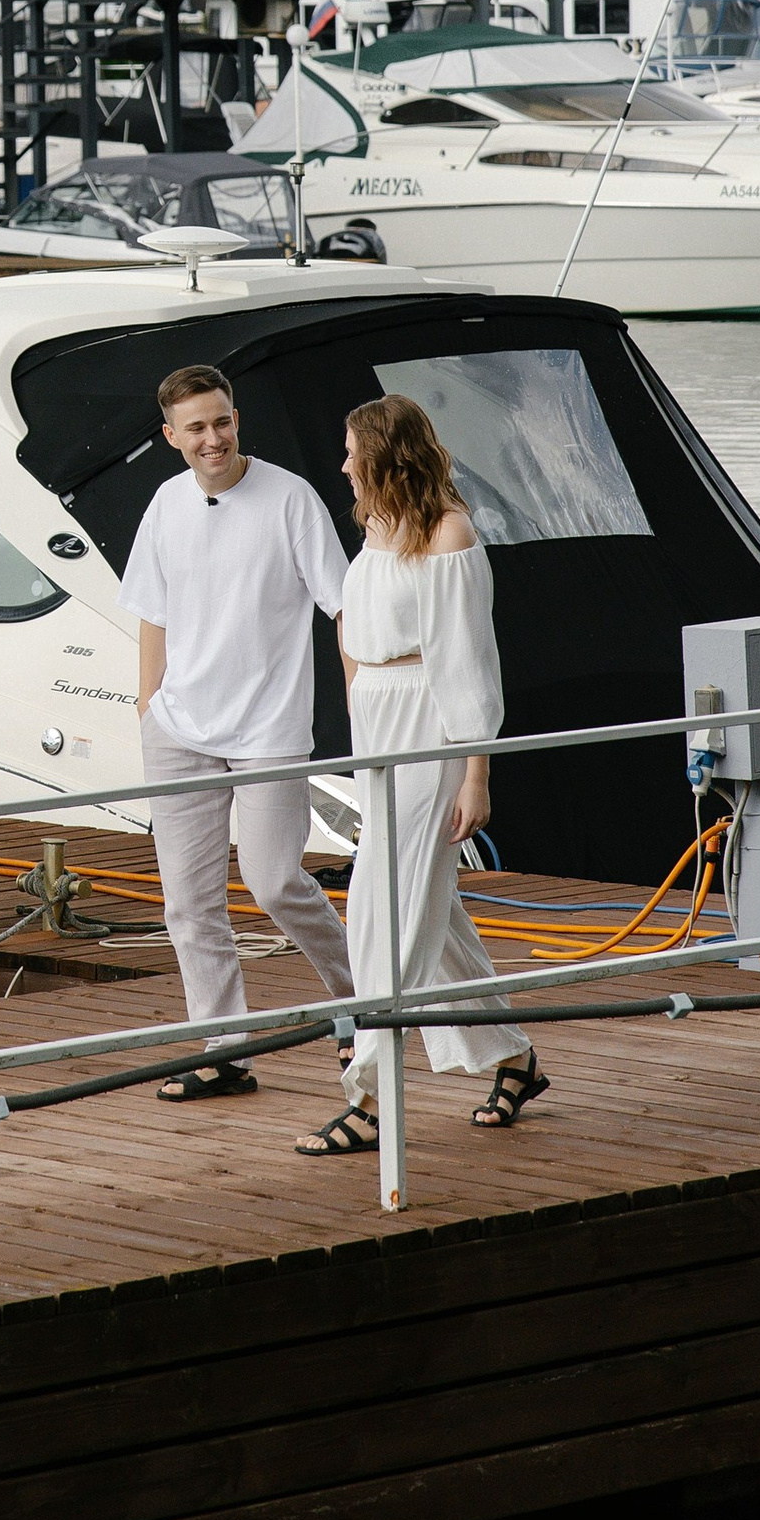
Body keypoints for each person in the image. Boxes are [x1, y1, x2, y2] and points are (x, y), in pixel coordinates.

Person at [295, 391, 546, 1159]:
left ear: (385, 454)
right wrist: (354, 721)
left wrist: (477, 776)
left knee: (387, 902)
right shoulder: (376, 527)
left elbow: (469, 665)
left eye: (351, 450)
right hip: (378, 720)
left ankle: (370, 1093)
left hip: (430, 722)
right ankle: (512, 1057)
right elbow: (348, 625)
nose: (341, 463)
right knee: (429, 916)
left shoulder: (448, 534)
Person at [120, 362, 357, 1101]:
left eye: (222, 421)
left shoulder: (290, 498)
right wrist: (147, 703)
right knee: (189, 904)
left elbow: (344, 607)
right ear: (171, 437)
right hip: (179, 728)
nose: (213, 437)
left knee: (276, 881)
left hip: (268, 730)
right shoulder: (164, 503)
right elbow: (151, 611)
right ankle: (224, 1051)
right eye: (196, 427)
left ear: (235, 419)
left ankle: (363, 1010)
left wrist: (361, 709)